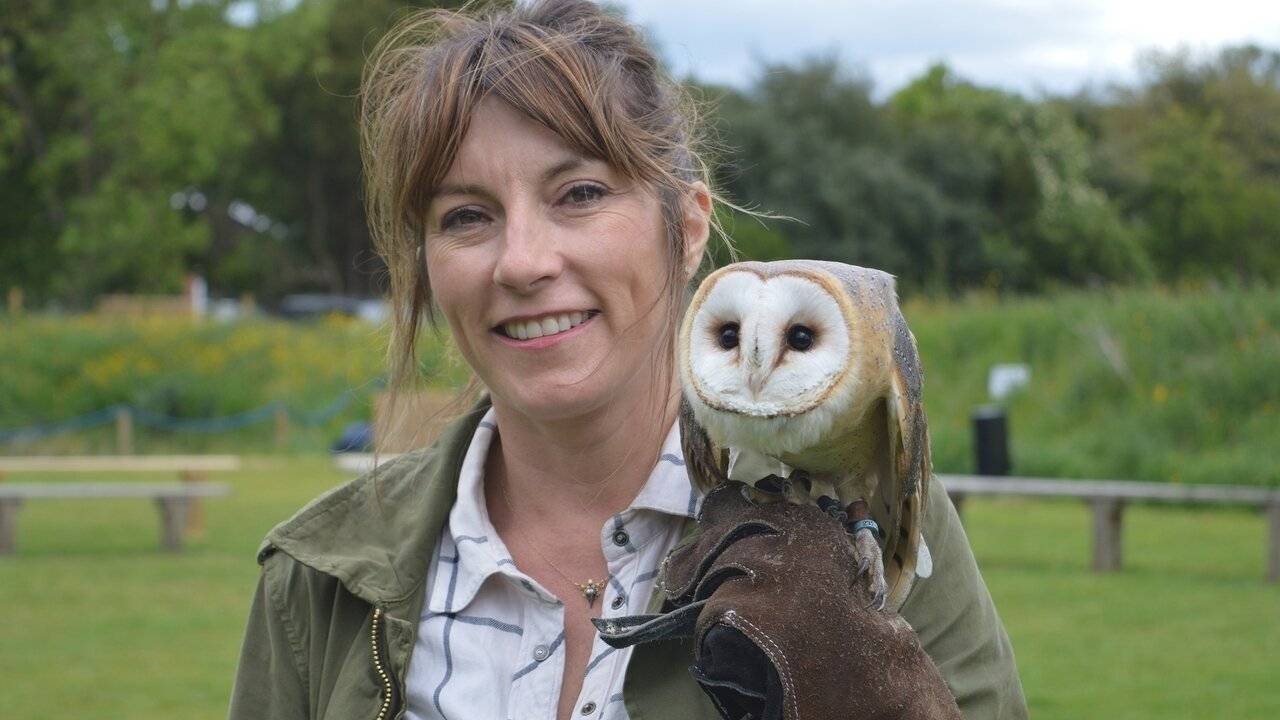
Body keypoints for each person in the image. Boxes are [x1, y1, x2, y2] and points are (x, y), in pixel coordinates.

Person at [227, 2, 1028, 719]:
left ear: (687, 227)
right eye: (467, 216)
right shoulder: (322, 577)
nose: (522, 261)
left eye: (579, 194)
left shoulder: (859, 513)